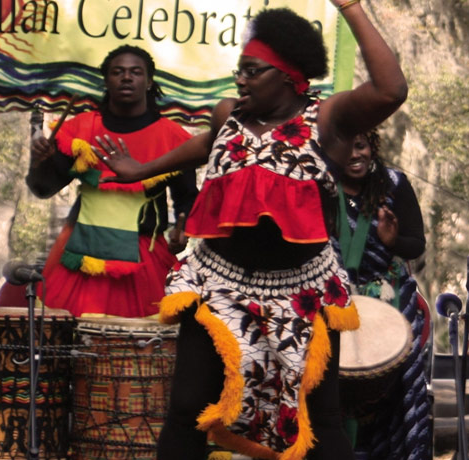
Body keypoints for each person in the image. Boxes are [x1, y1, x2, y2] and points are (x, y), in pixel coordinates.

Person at [100, 2, 407, 458]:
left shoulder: (328, 121)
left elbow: (390, 90)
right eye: (238, 70)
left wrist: (351, 9)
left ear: (285, 75)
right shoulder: (229, 114)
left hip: (302, 293)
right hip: (217, 285)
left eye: (251, 71)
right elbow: (206, 146)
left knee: (320, 419)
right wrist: (139, 170)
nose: (239, 79)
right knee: (187, 410)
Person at [26, 44, 198, 318]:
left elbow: (187, 196)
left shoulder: (172, 137)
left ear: (149, 81)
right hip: (79, 254)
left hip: (145, 256)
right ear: (106, 80)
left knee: (136, 350)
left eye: (135, 72)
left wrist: (183, 225)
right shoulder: (81, 128)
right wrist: (41, 161)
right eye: (118, 72)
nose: (126, 77)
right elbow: (43, 188)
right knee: (70, 345)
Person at [336, 129, 430, 460]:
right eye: (345, 147)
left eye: (359, 145)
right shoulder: (321, 189)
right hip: (337, 302)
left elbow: (416, 244)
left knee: (398, 391)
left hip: (390, 300)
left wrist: (393, 242)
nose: (354, 155)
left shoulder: (394, 183)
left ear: (371, 146)